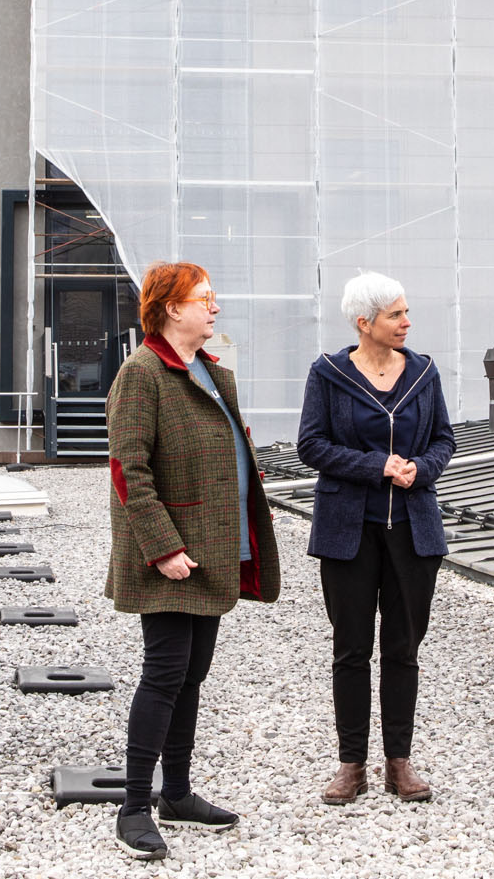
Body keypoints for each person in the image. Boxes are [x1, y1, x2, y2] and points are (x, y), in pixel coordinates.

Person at [104, 262, 282, 861]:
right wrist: (163, 546)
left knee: (193, 674)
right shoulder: (143, 374)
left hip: (211, 551)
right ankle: (134, 806)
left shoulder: (210, 372)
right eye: (206, 298)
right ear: (171, 308)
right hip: (172, 556)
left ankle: (176, 793)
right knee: (164, 673)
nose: (216, 307)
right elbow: (131, 470)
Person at [296, 271, 457, 805]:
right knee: (350, 650)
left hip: (413, 531)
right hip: (349, 531)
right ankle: (351, 766)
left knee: (404, 650)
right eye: (395, 315)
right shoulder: (328, 374)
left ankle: (399, 762)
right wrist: (376, 467)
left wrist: (420, 469)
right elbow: (311, 445)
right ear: (364, 322)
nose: (406, 322)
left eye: (406, 312)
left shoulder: (425, 373)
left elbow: (443, 439)